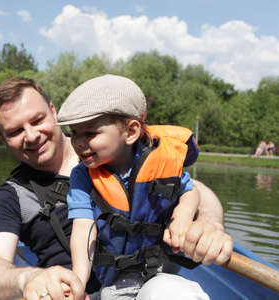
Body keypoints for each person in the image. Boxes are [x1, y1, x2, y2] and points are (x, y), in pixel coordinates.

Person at [0, 77, 233, 300]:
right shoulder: (13, 195)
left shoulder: (113, 148)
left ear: (53, 112)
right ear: (2, 138)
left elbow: (196, 190)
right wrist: (30, 279)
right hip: (74, 294)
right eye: (15, 131)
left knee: (171, 293)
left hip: (149, 282)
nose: (31, 136)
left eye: (37, 120)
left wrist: (211, 224)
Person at [57, 74, 210, 299]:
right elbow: (82, 230)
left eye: (90, 133)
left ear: (130, 132)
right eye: (74, 133)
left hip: (161, 271)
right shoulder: (82, 176)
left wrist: (183, 216)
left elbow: (189, 191)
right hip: (117, 281)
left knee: (171, 293)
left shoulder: (162, 163)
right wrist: (78, 280)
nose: (78, 142)